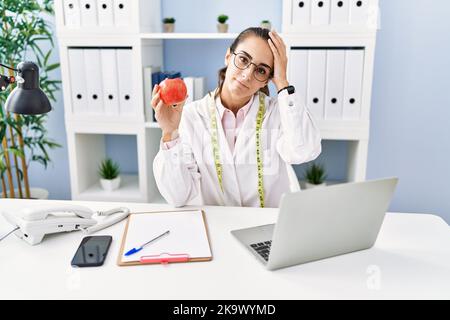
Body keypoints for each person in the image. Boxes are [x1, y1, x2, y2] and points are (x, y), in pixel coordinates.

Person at [152, 27, 321, 208]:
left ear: (267, 80)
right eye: (243, 59)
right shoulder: (191, 116)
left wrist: (282, 82)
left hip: (267, 229)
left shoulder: (278, 113)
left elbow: (303, 151)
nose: (247, 74)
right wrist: (169, 133)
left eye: (261, 70)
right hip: (218, 227)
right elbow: (178, 197)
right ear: (228, 56)